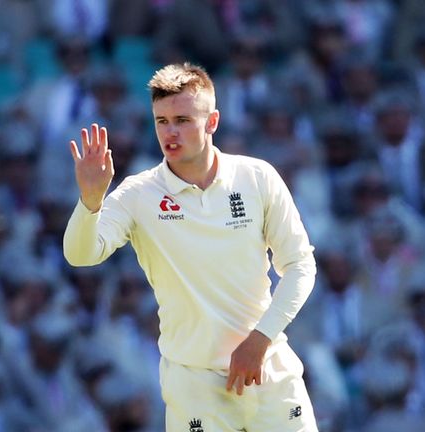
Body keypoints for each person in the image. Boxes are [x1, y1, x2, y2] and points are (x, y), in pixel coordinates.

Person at [63, 62, 318, 431]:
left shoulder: (257, 177)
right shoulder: (139, 194)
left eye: (182, 119)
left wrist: (260, 340)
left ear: (212, 122)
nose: (171, 132)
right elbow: (80, 254)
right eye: (161, 121)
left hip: (269, 371)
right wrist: (90, 201)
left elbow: (300, 266)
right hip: (195, 383)